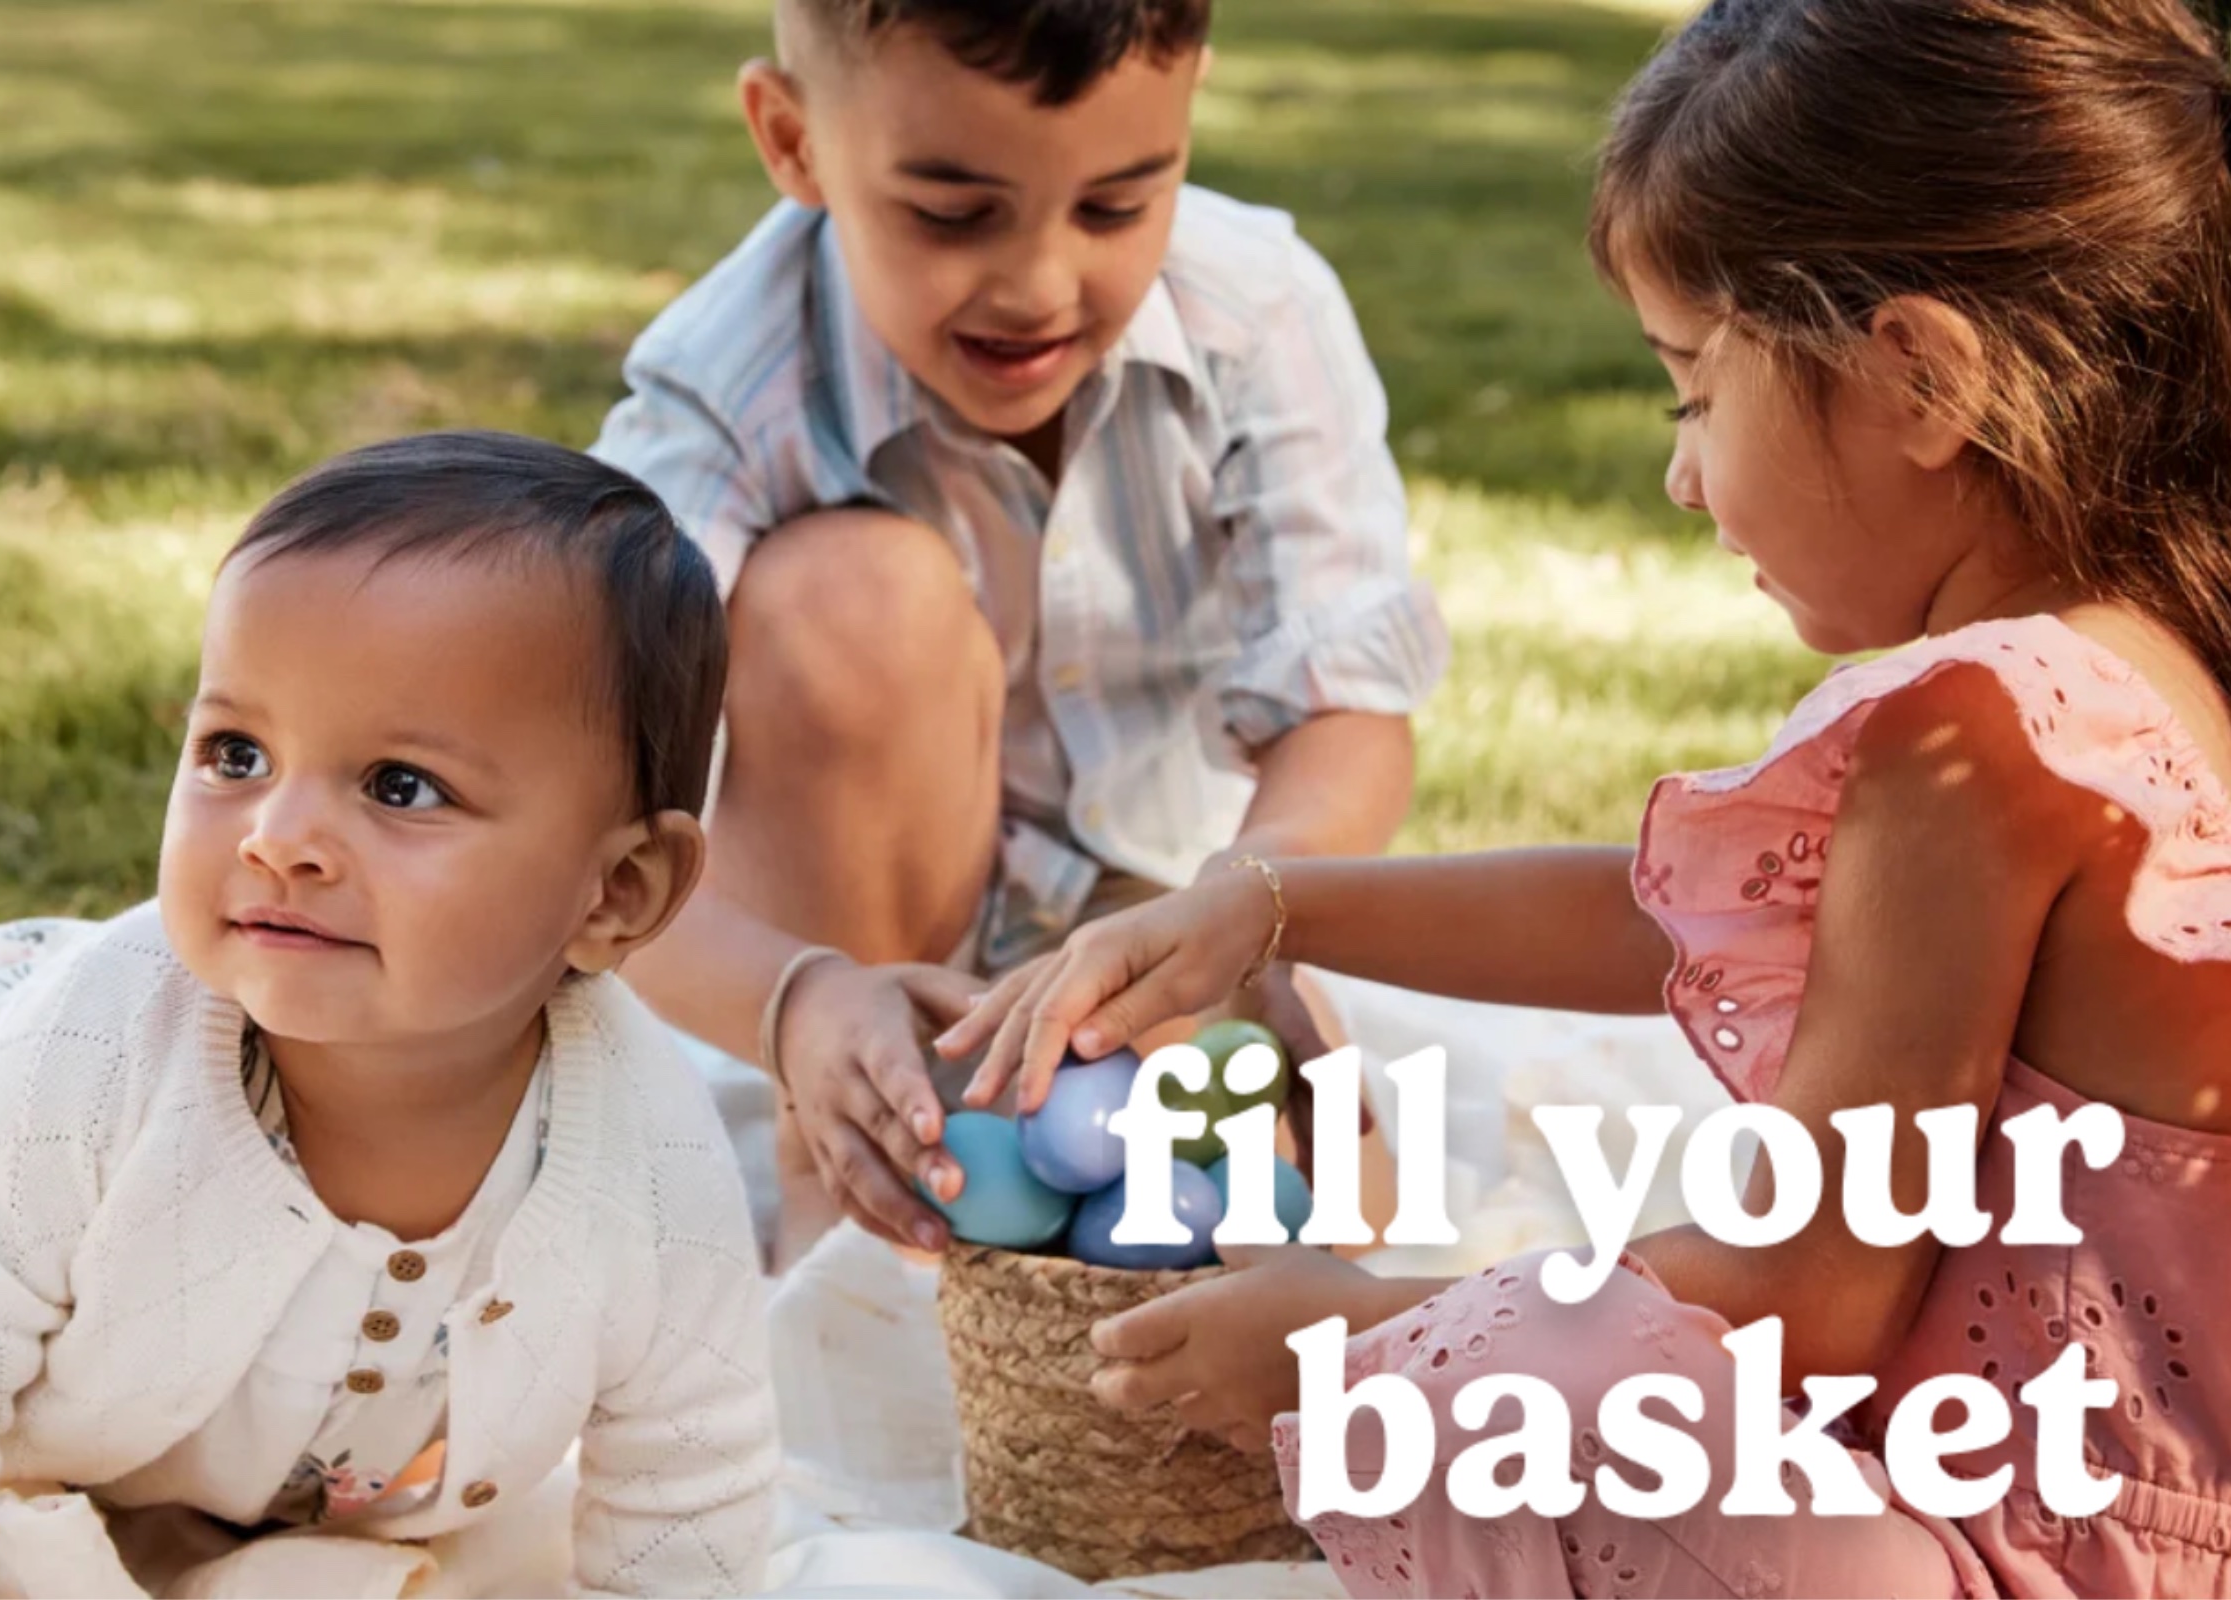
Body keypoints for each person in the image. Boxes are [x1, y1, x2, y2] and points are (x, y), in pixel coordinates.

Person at [943, 0, 2231, 1590]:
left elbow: (1811, 1294)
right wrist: (1269, 903)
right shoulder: (2148, 664)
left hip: (2032, 1552)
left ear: (1915, 379)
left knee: (1532, 1386)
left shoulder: (1979, 736)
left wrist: (1364, 1340)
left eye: (1694, 385)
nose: (1684, 476)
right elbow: (1674, 919)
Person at [0, 433, 778, 1597]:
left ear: (619, 890)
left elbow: (688, 1477)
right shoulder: (81, 1063)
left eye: (401, 785)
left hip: (221, 1425)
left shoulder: (649, 1166)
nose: (276, 835)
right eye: (235, 753)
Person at [589, 0, 1443, 1261]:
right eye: (949, 213)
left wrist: (1246, 909)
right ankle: (846, 1162)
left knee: (1332, 1217)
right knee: (854, 593)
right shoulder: (725, 388)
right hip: (856, 933)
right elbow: (576, 815)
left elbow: (1345, 711)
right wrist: (794, 1002)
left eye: (1114, 207)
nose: (1039, 286)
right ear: (794, 139)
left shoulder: (1257, 311)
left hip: (1160, 920)